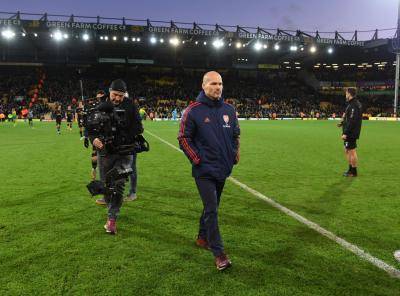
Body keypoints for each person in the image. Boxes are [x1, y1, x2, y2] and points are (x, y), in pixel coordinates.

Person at [177, 71, 240, 271]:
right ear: (204, 86)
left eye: (220, 83)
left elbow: (236, 134)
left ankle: (202, 237)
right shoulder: (193, 111)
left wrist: (235, 152)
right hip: (204, 170)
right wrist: (196, 159)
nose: (218, 87)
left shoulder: (229, 109)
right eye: (213, 83)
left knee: (211, 206)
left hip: (223, 167)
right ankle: (219, 253)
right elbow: (183, 138)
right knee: (212, 209)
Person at [89, 79, 143, 234]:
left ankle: (112, 219)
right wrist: (95, 139)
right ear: (109, 91)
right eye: (115, 95)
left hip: (125, 152)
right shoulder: (101, 106)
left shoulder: (131, 106)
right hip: (105, 152)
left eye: (121, 95)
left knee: (118, 185)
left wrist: (122, 131)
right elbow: (90, 129)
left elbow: (139, 128)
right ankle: (107, 201)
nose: (117, 98)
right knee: (107, 184)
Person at [338, 87, 362, 177]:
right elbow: (349, 119)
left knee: (351, 151)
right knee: (348, 150)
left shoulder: (354, 105)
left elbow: (352, 120)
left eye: (346, 93)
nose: (345, 94)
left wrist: (346, 133)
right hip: (352, 131)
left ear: (349, 94)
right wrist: (342, 123)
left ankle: (353, 171)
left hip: (351, 132)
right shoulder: (353, 104)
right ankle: (351, 170)